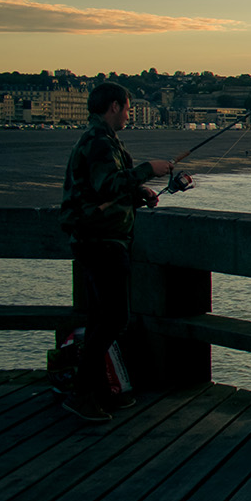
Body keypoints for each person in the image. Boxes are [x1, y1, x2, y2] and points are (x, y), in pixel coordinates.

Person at [58, 81, 174, 422]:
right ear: (113, 107)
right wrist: (148, 171)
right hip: (100, 242)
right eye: (126, 107)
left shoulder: (104, 141)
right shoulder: (97, 142)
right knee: (114, 318)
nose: (128, 113)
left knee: (100, 318)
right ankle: (82, 394)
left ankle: (95, 391)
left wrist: (139, 193)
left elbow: (107, 188)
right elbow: (107, 184)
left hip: (104, 239)